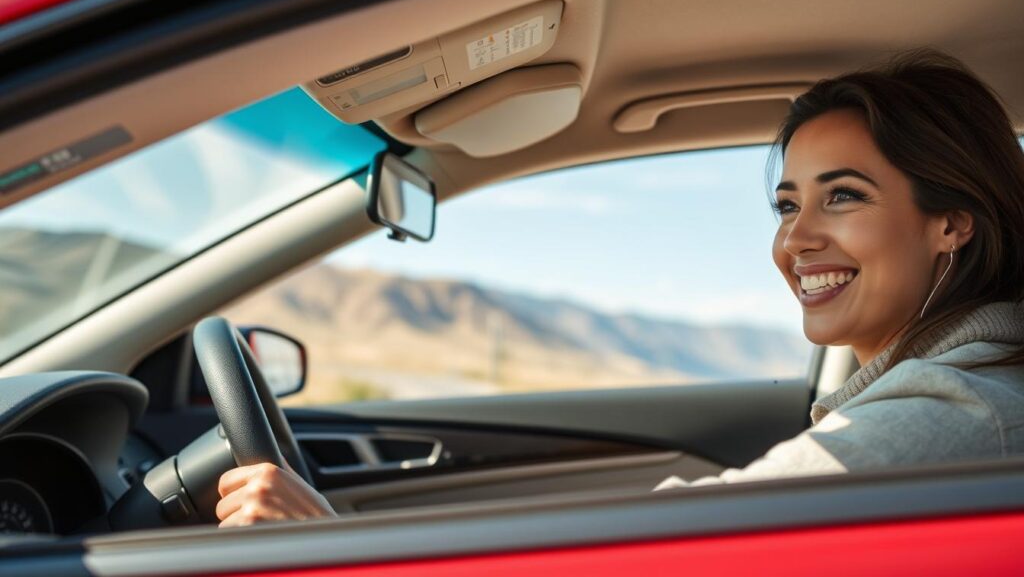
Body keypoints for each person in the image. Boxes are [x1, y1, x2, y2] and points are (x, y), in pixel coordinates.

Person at [214, 49, 1024, 526]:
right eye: (788, 204)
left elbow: (676, 539)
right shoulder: (943, 391)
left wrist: (334, 545)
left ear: (951, 220)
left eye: (842, 196)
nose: (796, 238)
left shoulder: (958, 411)